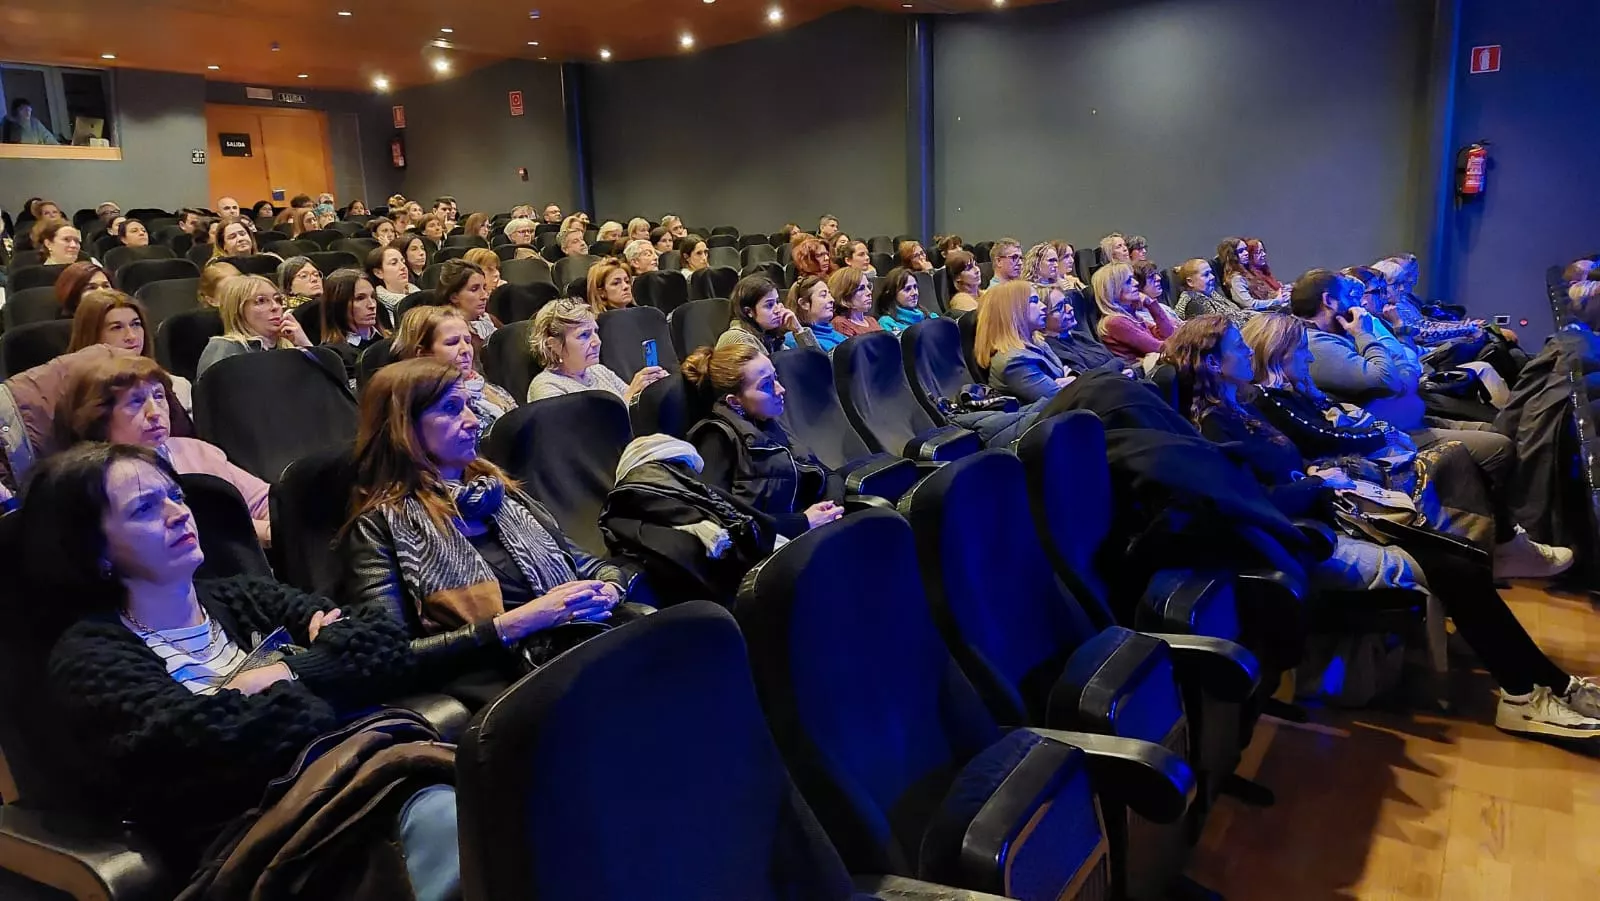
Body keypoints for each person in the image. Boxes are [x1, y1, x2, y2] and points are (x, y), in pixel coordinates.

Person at [26, 444, 464, 894]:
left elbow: (385, 643)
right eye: (144, 509)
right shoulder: (89, 656)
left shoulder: (241, 597)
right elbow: (198, 745)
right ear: (96, 549)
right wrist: (330, 677)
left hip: (364, 781)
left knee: (488, 808)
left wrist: (285, 675)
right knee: (455, 833)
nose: (178, 513)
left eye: (175, 495)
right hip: (267, 842)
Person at [1161, 317, 1600, 737]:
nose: (1248, 351)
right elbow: (1253, 500)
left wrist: (1317, 477)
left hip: (1331, 507)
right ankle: (1525, 694)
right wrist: (1314, 481)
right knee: (1457, 565)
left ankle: (1549, 685)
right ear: (1215, 363)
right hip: (1307, 532)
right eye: (1238, 346)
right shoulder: (1216, 425)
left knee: (1461, 557)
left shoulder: (1243, 405)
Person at [339, 358, 637, 704]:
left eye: (468, 405)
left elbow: (588, 565)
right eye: (451, 409)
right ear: (402, 427)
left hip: (574, 645)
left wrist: (610, 589)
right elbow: (392, 657)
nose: (472, 420)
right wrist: (516, 623)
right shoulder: (379, 526)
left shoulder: (498, 493)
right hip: (504, 681)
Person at [1248, 309, 1570, 579]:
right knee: (1476, 451)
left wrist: (1389, 330)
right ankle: (1494, 548)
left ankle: (1500, 543)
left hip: (1395, 429)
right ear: (1279, 352)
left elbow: (1408, 365)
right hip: (1368, 457)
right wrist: (1367, 335)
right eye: (1350, 294)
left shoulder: (1298, 382)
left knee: (1480, 434)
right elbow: (1386, 380)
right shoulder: (1289, 379)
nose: (1308, 358)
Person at [55, 355, 260, 539]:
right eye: (136, 401)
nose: (155, 412)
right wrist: (260, 533)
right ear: (100, 417)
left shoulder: (197, 451)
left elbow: (266, 501)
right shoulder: (101, 482)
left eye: (159, 396)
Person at [684, 343, 844, 539]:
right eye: (766, 384)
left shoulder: (767, 423)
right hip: (775, 552)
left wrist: (831, 508)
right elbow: (721, 521)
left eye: (775, 377)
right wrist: (803, 522)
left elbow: (827, 474)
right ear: (734, 401)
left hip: (809, 534)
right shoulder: (716, 436)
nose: (781, 389)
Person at [392, 305, 517, 440]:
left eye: (468, 341)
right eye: (452, 343)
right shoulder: (424, 408)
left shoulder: (493, 390)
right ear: (422, 354)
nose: (465, 350)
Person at [526, 300, 667, 403]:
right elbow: (580, 436)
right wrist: (630, 395)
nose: (597, 341)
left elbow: (633, 407)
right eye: (584, 335)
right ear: (554, 345)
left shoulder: (598, 370)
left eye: (595, 332)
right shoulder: (545, 386)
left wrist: (650, 388)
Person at [976, 280, 1074, 402]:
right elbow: (1062, 400)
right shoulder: (1013, 362)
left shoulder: (1037, 343)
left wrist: (1070, 380)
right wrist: (1069, 382)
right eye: (1034, 301)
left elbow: (1066, 373)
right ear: (1012, 311)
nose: (1043, 306)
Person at [196, 275, 312, 378]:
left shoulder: (290, 346)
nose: (275, 306)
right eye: (261, 301)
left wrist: (305, 344)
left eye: (278, 299)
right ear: (238, 309)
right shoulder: (225, 349)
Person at [1094, 261, 1178, 362]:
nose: (1136, 283)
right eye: (1129, 281)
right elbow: (1159, 348)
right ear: (1114, 289)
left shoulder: (1133, 317)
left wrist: (1150, 304)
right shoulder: (1115, 322)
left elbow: (1168, 334)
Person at [318, 268, 389, 385]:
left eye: (373, 297)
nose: (372, 305)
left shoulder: (394, 342)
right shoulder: (333, 355)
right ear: (339, 305)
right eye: (360, 298)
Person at [718, 275, 802, 353]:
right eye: (769, 305)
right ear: (748, 312)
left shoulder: (767, 337)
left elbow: (813, 362)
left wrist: (799, 330)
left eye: (777, 301)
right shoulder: (738, 338)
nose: (778, 310)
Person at [437, 258, 499, 346]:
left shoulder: (489, 319)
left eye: (484, 288)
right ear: (454, 297)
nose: (484, 296)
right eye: (474, 289)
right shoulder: (448, 331)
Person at [1174, 257, 1251, 325]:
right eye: (1206, 274)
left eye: (1211, 272)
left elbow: (1236, 313)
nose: (1212, 277)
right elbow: (1217, 330)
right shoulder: (1193, 302)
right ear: (1190, 282)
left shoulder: (1210, 293)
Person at [1219, 237, 1283, 310]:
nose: (1246, 253)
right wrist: (1276, 301)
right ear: (1232, 256)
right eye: (1241, 251)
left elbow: (1265, 294)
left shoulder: (1248, 272)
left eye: (1245, 249)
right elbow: (1250, 304)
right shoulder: (1236, 279)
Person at [784, 276, 845, 352]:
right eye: (823, 295)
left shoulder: (836, 333)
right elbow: (818, 361)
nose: (832, 299)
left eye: (829, 294)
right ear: (804, 304)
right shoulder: (793, 340)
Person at [873, 266, 937, 335]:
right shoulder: (887, 323)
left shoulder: (929, 315)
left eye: (915, 287)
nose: (914, 293)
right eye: (907, 289)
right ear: (893, 293)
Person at [828, 267, 884, 339]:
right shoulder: (841, 324)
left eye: (868, 287)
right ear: (845, 295)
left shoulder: (871, 320)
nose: (869, 292)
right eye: (861, 288)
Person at [365, 244, 419, 315]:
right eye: (394, 263)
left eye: (403, 262)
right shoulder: (379, 307)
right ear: (378, 273)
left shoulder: (421, 295)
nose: (403, 267)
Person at [944, 249, 982, 314]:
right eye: (969, 268)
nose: (977, 270)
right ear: (957, 277)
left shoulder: (984, 294)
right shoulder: (960, 300)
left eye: (975, 265)